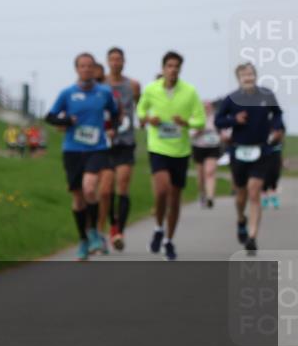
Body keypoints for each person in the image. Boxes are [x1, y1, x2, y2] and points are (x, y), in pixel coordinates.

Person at [46, 53, 119, 260]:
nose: (86, 69)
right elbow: (50, 116)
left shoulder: (104, 92)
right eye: (82, 66)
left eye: (90, 66)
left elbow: (115, 113)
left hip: (97, 148)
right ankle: (83, 239)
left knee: (89, 187)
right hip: (72, 150)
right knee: (78, 198)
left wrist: (112, 128)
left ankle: (95, 232)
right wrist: (67, 121)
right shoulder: (67, 93)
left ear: (95, 69)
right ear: (77, 69)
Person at [135, 51, 205, 261]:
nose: (173, 69)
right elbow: (140, 111)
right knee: (162, 190)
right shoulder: (151, 89)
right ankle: (158, 228)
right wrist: (149, 119)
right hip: (158, 147)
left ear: (180, 69)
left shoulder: (190, 92)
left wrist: (186, 123)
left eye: (176, 66)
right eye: (169, 66)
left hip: (180, 150)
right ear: (163, 68)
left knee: (175, 200)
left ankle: (168, 240)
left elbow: (200, 120)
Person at [214, 63, 286, 254]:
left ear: (256, 76)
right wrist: (233, 121)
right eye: (245, 75)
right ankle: (241, 219)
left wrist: (277, 128)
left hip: (261, 150)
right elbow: (218, 120)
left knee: (254, 192)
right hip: (238, 151)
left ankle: (252, 237)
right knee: (241, 194)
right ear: (238, 78)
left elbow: (277, 114)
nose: (249, 78)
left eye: (251, 74)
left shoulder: (266, 95)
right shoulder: (231, 99)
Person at [98, 47, 141, 251]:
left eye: (119, 59)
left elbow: (136, 106)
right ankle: (110, 224)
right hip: (105, 143)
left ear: (124, 62)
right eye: (112, 59)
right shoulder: (100, 84)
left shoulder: (133, 85)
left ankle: (118, 231)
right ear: (107, 62)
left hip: (125, 141)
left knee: (122, 185)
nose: (116, 63)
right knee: (105, 191)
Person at [191, 100, 222, 209]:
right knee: (200, 175)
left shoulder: (216, 118)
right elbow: (190, 134)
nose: (207, 108)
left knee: (210, 172)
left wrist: (222, 135)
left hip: (213, 147)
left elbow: (223, 131)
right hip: (199, 147)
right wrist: (199, 130)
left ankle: (210, 197)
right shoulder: (195, 118)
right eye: (204, 106)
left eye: (208, 106)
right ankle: (202, 194)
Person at [262, 141, 283, 209]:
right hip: (264, 158)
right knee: (265, 180)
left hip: (275, 157)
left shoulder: (278, 143)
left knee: (274, 179)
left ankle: (274, 198)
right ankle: (265, 199)